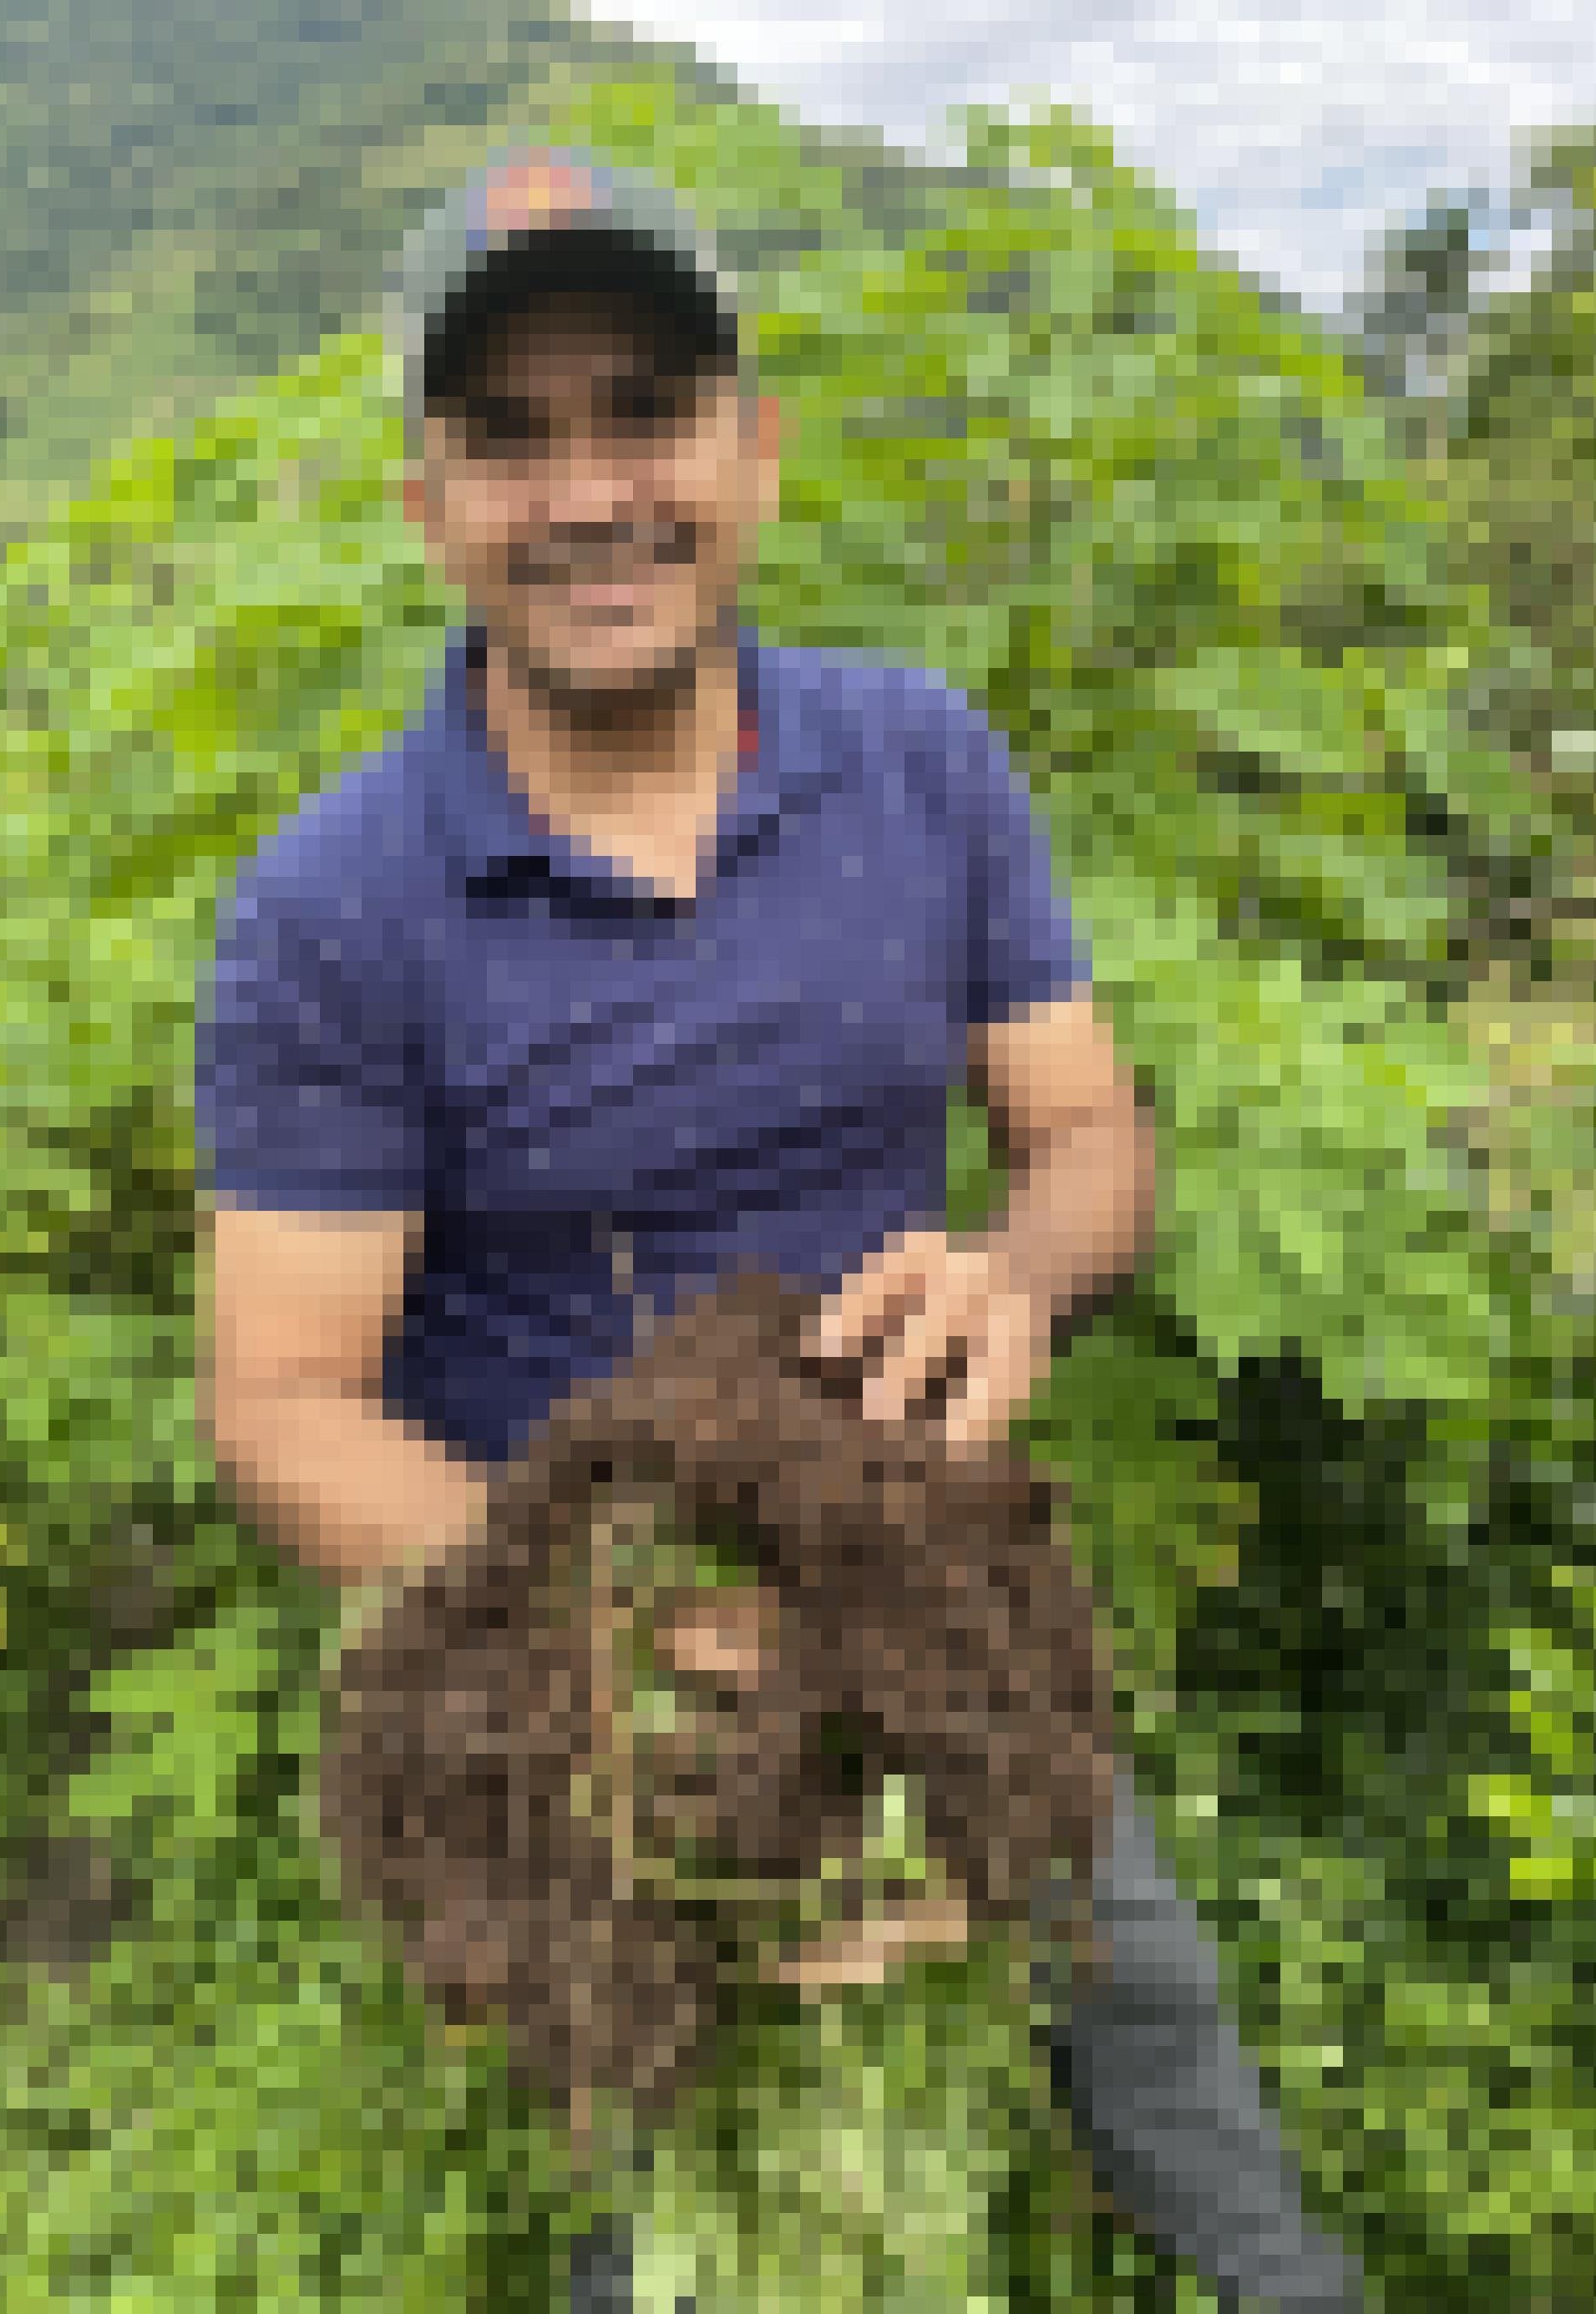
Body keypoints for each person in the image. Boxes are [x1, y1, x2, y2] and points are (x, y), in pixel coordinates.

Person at [195, 148, 1364, 2311]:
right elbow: (275, 1398)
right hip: (607, 1688)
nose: (590, 491)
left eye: (646, 409)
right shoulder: (339, 912)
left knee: (1155, 2038)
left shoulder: (922, 763)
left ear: (755, 445)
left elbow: (1086, 1127)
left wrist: (1019, 1271)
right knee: (706, 2194)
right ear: (427, 505)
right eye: (510, 437)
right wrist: (608, 1623)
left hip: (935, 1583)